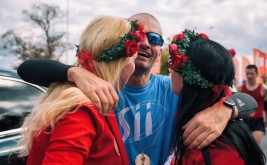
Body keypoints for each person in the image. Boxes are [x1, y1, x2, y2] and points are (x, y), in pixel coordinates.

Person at [17, 13, 257, 165]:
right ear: (124, 46)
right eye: (138, 35)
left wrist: (225, 110)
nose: (144, 42)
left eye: (154, 38)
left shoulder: (172, 88)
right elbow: (26, 69)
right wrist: (73, 72)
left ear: (161, 50)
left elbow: (247, 101)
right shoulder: (94, 90)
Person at [17, 16, 147, 164]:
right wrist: (73, 72)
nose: (133, 67)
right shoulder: (80, 110)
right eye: (133, 61)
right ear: (120, 63)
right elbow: (25, 68)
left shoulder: (92, 97)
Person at [167, 30, 265, 164]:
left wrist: (225, 109)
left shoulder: (216, 151)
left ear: (186, 79)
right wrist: (225, 108)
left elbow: (250, 101)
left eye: (172, 64)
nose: (169, 71)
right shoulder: (207, 101)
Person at [236, 65, 267, 145]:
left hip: (258, 120)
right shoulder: (240, 88)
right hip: (244, 120)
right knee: (245, 148)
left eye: (252, 73)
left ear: (257, 74)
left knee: (255, 147)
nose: (249, 76)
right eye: (247, 73)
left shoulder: (263, 88)